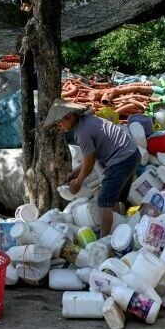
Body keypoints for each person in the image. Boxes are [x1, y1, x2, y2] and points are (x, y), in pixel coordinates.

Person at [44, 99, 140, 237]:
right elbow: (90, 157)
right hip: (132, 154)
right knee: (113, 197)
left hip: (121, 160)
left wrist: (78, 182)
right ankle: (121, 230)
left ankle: (104, 239)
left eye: (60, 122)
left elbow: (89, 163)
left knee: (103, 201)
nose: (59, 126)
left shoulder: (82, 133)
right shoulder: (87, 121)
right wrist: (76, 173)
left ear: (70, 117)